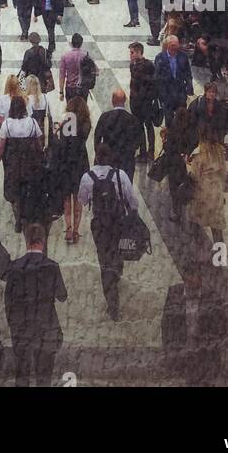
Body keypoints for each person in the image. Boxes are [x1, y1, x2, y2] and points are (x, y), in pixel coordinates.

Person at [78, 145, 142, 320]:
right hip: (118, 222)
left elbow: (83, 201)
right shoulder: (120, 175)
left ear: (96, 157)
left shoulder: (87, 177)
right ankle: (117, 270)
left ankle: (112, 301)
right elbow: (132, 200)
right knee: (117, 250)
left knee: (103, 259)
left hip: (99, 225)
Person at [4, 222, 67, 387]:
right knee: (44, 375)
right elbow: (62, 296)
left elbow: (8, 301)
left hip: (22, 327)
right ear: (43, 241)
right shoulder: (52, 267)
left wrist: (13, 324)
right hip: (45, 326)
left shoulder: (15, 267)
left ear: (26, 241)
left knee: (22, 374)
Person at [0, 94, 45, 235]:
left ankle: (18, 219)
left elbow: (1, 145)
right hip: (29, 163)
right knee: (29, 189)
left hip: (13, 163)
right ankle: (29, 216)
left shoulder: (7, 124)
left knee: (15, 191)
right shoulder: (32, 122)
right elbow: (39, 141)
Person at [51, 95, 91, 244]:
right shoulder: (86, 123)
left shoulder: (68, 122)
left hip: (67, 162)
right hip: (80, 162)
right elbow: (82, 139)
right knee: (78, 199)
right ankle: (76, 230)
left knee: (67, 198)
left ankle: (68, 229)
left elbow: (64, 144)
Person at [93, 88, 143, 180]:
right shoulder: (133, 120)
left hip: (108, 160)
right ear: (125, 101)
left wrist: (99, 154)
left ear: (112, 100)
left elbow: (97, 137)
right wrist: (130, 151)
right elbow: (139, 140)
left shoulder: (105, 117)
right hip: (126, 161)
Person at [154, 34, 193, 126]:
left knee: (182, 117)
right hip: (167, 93)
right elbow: (156, 77)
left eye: (176, 45)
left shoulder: (183, 56)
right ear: (167, 46)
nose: (174, 48)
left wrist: (189, 86)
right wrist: (160, 93)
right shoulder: (160, 58)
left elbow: (188, 73)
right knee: (169, 118)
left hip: (180, 92)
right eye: (172, 45)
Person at [58, 32, 96, 102]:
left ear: (71, 43)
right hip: (83, 88)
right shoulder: (86, 56)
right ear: (81, 43)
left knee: (70, 110)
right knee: (82, 110)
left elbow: (62, 75)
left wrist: (61, 92)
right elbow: (95, 71)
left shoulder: (65, 56)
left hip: (70, 88)